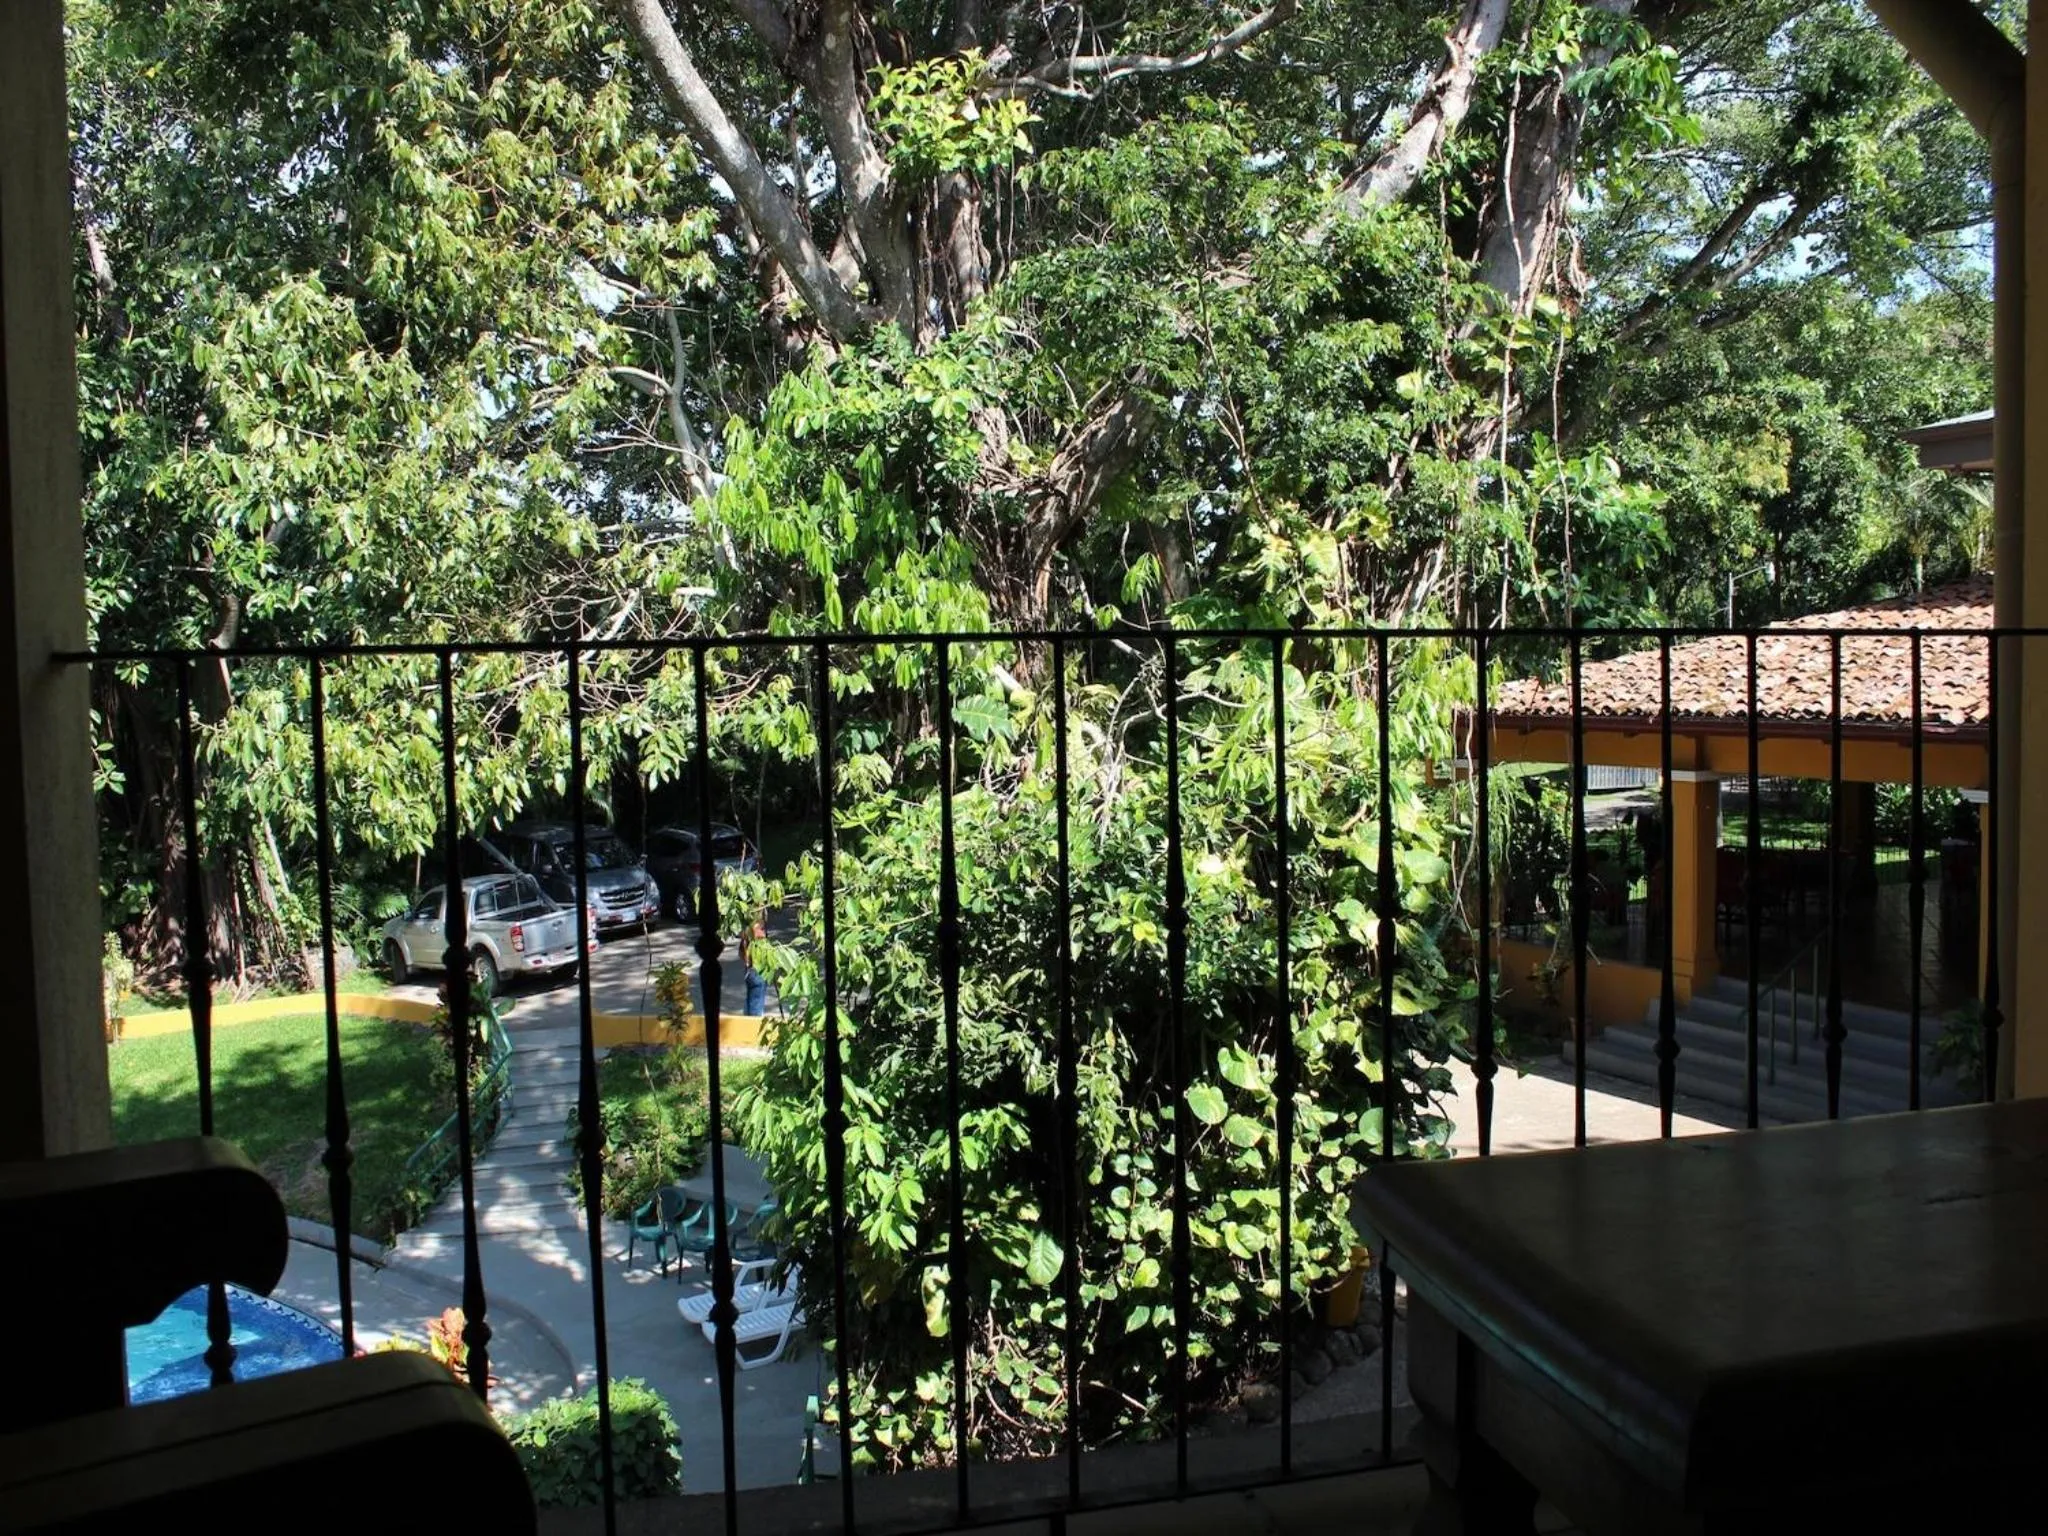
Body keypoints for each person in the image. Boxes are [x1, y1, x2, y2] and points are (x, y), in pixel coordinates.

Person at [739, 915, 768, 1015]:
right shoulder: (759, 936)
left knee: (750, 1002)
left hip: (749, 971)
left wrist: (747, 962)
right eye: (763, 929)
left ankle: (746, 1024)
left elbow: (741, 953)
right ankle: (753, 1027)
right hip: (758, 971)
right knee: (756, 1006)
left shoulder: (746, 936)